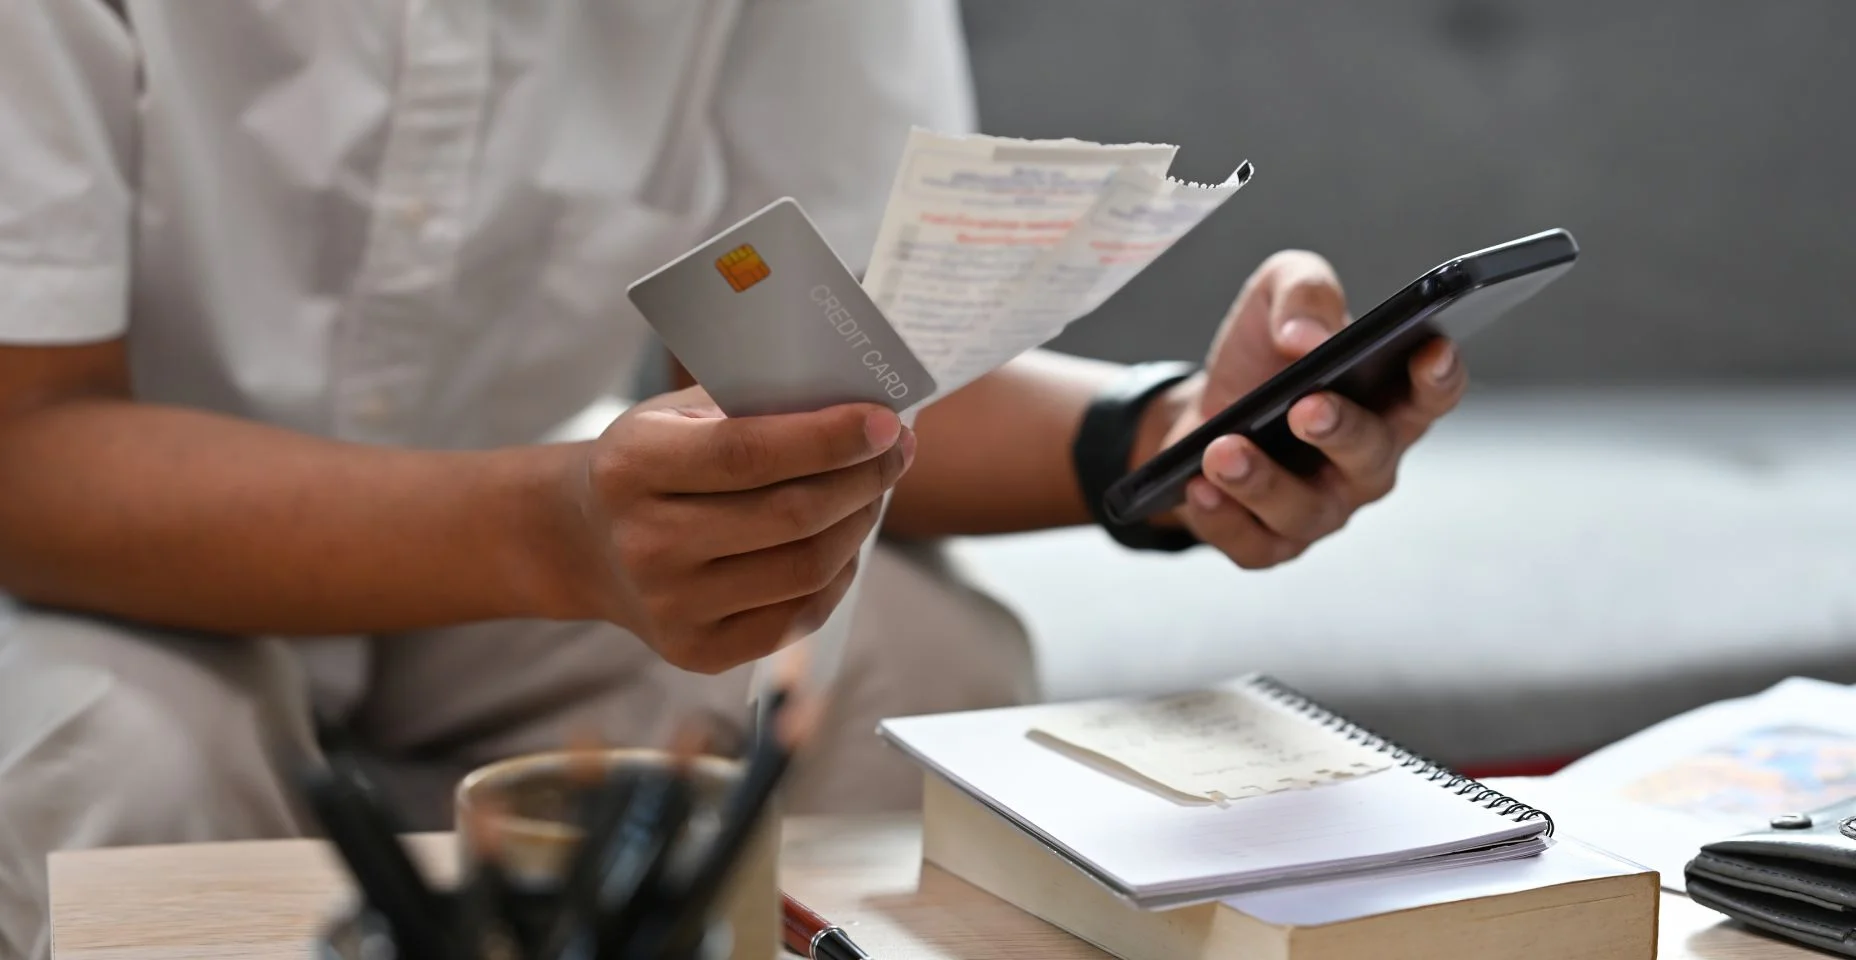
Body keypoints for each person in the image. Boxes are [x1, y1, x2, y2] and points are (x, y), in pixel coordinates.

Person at [0, 3, 1466, 956]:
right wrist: (557, 527)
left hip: (523, 529)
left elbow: (834, 366)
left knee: (917, 654)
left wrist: (1161, 442)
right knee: (117, 751)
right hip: (89, 566)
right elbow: (28, 447)